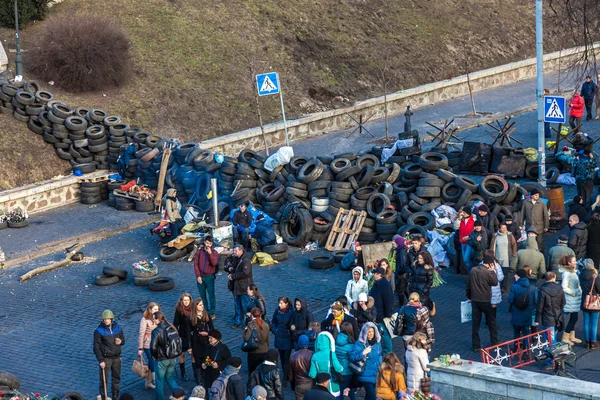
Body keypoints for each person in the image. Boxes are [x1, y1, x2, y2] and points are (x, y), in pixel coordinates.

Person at [466, 255, 499, 351]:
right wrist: (493, 271)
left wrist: (469, 296)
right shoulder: (488, 272)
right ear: (490, 264)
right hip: (485, 300)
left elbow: (468, 285)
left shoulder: (473, 270)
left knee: (475, 324)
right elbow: (495, 282)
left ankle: (476, 345)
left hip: (475, 300)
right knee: (491, 322)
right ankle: (494, 342)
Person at [536, 272, 567, 369]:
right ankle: (557, 359)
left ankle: (552, 362)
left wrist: (537, 319)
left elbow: (539, 307)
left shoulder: (542, 290)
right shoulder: (560, 288)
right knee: (554, 337)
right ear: (554, 277)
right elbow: (563, 303)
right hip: (558, 317)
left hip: (547, 318)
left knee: (550, 340)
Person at [150, 311, 182, 400]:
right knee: (170, 378)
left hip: (161, 359)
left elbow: (153, 347)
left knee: (159, 381)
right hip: (172, 358)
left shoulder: (156, 331)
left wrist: (154, 356)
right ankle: (180, 396)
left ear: (158, 319)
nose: (153, 320)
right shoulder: (170, 327)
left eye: (154, 319)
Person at [94, 310, 125, 400]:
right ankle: (104, 397)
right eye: (105, 319)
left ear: (112, 319)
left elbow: (123, 340)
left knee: (116, 379)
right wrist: (101, 360)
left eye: (108, 319)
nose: (106, 321)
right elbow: (96, 347)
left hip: (117, 358)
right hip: (106, 359)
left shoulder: (118, 328)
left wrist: (121, 341)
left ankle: (116, 397)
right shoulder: (99, 331)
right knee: (104, 381)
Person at [349, 323, 382, 400]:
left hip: (375, 373)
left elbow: (379, 354)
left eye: (372, 331)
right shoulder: (359, 344)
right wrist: (363, 353)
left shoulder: (377, 342)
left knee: (369, 395)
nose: (370, 334)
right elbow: (352, 357)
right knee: (372, 396)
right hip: (365, 374)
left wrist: (380, 364)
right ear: (364, 332)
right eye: (368, 332)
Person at [508, 267, 537, 347]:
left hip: (516, 312)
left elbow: (510, 300)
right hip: (527, 313)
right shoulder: (532, 287)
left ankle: (516, 347)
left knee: (516, 331)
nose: (514, 276)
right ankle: (526, 350)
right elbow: (535, 301)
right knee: (526, 332)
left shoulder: (514, 287)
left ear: (518, 276)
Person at [309, 332, 344, 397]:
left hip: (320, 385)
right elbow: (338, 369)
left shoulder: (314, 356)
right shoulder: (331, 353)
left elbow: (312, 375)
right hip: (332, 385)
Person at [369, 266, 394, 355]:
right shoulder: (377, 283)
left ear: (378, 275)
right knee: (381, 333)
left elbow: (388, 300)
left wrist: (388, 313)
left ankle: (388, 352)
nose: (374, 275)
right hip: (377, 313)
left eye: (375, 273)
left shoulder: (385, 285)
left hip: (382, 314)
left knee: (385, 333)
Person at [227, 244, 253, 328]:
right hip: (236, 286)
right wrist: (229, 268)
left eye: (236, 251)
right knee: (237, 305)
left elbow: (246, 272)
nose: (234, 252)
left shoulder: (246, 260)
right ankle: (238, 321)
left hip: (244, 287)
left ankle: (248, 322)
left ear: (241, 251)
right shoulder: (235, 258)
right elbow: (227, 263)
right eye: (233, 250)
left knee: (245, 306)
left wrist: (233, 276)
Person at [559, 255, 583, 346]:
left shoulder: (573, 271)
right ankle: (565, 337)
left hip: (575, 299)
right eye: (574, 261)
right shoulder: (567, 273)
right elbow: (564, 287)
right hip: (571, 300)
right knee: (574, 318)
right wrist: (574, 292)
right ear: (569, 263)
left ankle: (571, 336)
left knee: (574, 318)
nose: (576, 262)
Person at [189, 298, 214, 386]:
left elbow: (212, 328)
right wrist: (190, 347)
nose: (202, 306)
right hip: (196, 343)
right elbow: (189, 333)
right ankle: (200, 382)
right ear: (195, 307)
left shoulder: (206, 315)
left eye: (202, 304)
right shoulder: (191, 317)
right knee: (198, 362)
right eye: (200, 305)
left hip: (206, 342)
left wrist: (208, 334)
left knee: (207, 359)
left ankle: (208, 379)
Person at [194, 235, 219, 319]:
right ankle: (204, 310)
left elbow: (214, 263)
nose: (208, 245)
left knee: (211, 295)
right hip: (201, 277)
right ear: (204, 242)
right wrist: (198, 276)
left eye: (210, 243)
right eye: (207, 243)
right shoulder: (199, 252)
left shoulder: (214, 252)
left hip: (210, 277)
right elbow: (196, 264)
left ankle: (212, 312)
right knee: (202, 296)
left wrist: (210, 254)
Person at [271, 296, 293, 387]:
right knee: (281, 357)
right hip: (279, 336)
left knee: (286, 359)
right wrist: (274, 330)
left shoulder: (291, 312)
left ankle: (285, 376)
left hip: (287, 338)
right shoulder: (277, 311)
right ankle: (286, 374)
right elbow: (273, 322)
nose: (279, 305)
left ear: (286, 304)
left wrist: (290, 331)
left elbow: (292, 323)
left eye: (281, 303)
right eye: (279, 303)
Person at [579, 259, 600, 349]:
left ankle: (587, 342)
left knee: (586, 322)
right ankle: (593, 341)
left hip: (585, 300)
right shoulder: (595, 276)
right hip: (594, 301)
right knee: (594, 323)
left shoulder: (581, 275)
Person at [490, 222, 517, 293]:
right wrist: (492, 257)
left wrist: (513, 254)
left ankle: (504, 287)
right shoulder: (495, 236)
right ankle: (496, 286)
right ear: (499, 229)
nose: (504, 229)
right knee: (497, 273)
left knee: (505, 274)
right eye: (502, 228)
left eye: (505, 228)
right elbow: (492, 247)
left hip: (506, 258)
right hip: (497, 258)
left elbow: (514, 245)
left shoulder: (510, 235)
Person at [138, 302, 160, 390]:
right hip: (147, 344)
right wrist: (140, 348)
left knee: (153, 362)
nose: (156, 311)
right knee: (152, 361)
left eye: (157, 309)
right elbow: (141, 333)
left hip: (157, 343)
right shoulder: (144, 319)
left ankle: (148, 382)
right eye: (155, 309)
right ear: (150, 310)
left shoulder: (159, 317)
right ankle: (155, 380)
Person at [244, 307, 271, 373]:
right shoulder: (266, 325)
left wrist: (245, 331)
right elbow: (268, 339)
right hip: (264, 350)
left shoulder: (250, 325)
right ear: (260, 315)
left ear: (252, 315)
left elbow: (247, 338)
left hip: (254, 352)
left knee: (252, 371)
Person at [173, 294, 193, 382]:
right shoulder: (179, 311)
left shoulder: (193, 309)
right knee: (182, 355)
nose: (186, 302)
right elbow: (175, 324)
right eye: (184, 300)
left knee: (193, 354)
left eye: (188, 300)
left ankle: (196, 372)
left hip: (192, 334)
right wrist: (176, 335)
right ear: (181, 301)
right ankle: (183, 373)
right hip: (183, 334)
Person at [288, 335, 314, 400]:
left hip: (299, 384)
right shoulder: (312, 354)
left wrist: (292, 385)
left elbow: (291, 374)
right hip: (310, 383)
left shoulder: (293, 356)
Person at [334, 323, 356, 400]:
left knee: (340, 393)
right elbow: (353, 358)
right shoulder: (350, 345)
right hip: (348, 372)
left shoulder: (336, 342)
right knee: (350, 392)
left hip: (338, 371)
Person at [457, 206, 476, 271]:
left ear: (468, 213)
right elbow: (455, 227)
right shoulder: (461, 220)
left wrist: (469, 237)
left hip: (470, 243)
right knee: (466, 260)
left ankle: (472, 272)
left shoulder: (473, 220)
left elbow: (476, 232)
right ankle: (472, 273)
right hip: (462, 242)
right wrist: (459, 219)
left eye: (464, 212)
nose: (463, 213)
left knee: (466, 259)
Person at [394, 236, 411, 305]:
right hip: (403, 275)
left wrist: (398, 272)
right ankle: (409, 302)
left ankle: (401, 305)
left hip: (402, 275)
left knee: (401, 290)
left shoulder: (401, 253)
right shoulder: (401, 250)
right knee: (405, 289)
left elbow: (403, 265)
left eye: (395, 242)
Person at [486, 251, 504, 317]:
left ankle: (487, 319)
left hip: (485, 288)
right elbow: (500, 277)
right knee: (493, 305)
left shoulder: (481, 264)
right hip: (495, 288)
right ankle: (492, 319)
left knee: (486, 304)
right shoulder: (496, 265)